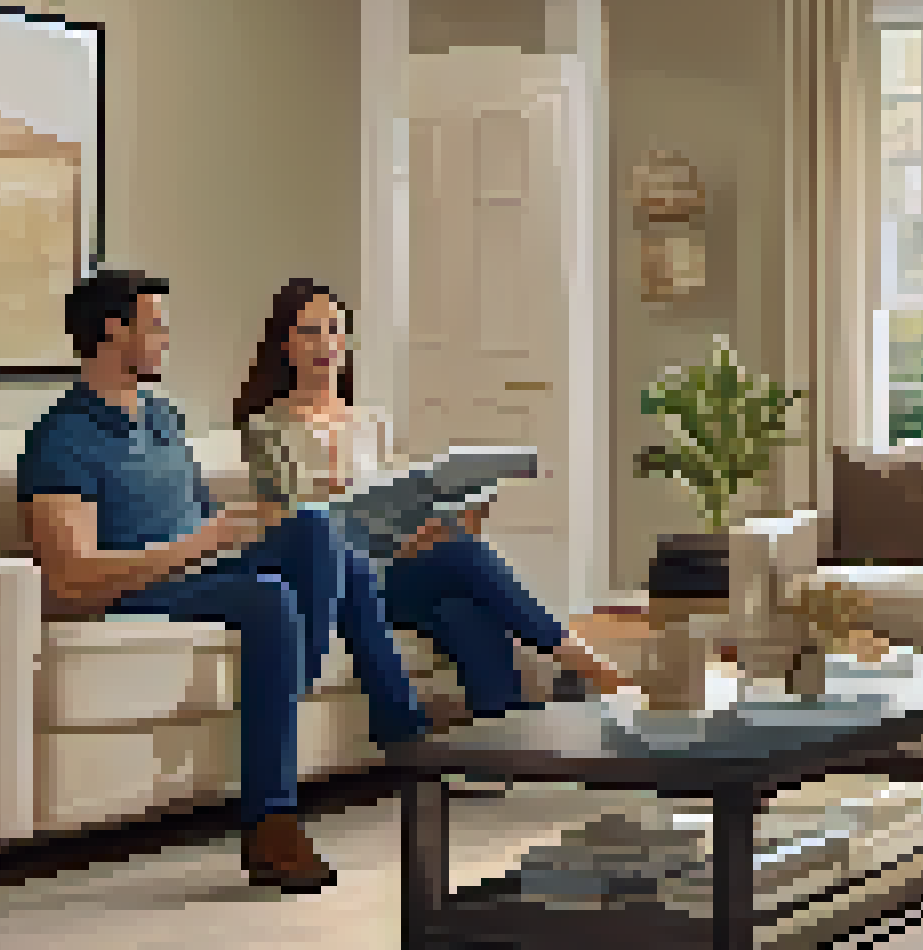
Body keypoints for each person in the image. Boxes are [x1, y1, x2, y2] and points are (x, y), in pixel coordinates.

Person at [18, 269, 449, 895]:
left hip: (204, 568)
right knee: (270, 596)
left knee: (319, 533)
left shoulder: (163, 416)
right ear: (114, 331)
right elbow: (71, 577)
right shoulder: (61, 439)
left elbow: (201, 517)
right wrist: (199, 545)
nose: (166, 338)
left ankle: (350, 721)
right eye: (155, 326)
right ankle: (272, 820)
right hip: (139, 590)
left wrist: (248, 528)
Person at [232, 278, 632, 719]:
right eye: (310, 331)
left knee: (463, 611)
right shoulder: (267, 428)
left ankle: (501, 750)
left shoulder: (371, 422)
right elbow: (275, 525)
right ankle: (583, 661)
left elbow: (394, 506)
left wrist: (441, 521)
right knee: (465, 559)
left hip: (399, 568)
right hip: (346, 581)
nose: (324, 342)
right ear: (286, 344)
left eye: (333, 329)